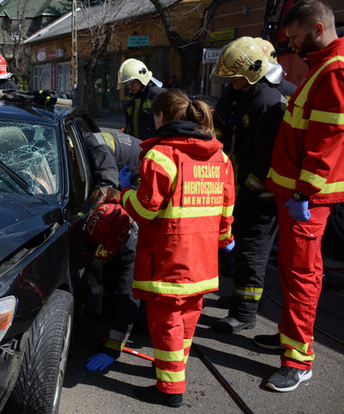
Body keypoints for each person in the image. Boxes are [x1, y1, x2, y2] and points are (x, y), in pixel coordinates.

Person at [260, 0, 344, 392]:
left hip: (307, 198)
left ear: (317, 28)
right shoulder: (323, 66)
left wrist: (304, 190)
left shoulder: (336, 71)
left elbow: (327, 142)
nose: (292, 46)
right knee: (291, 272)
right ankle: (288, 337)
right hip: (297, 194)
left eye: (296, 37)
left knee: (301, 277)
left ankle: (298, 361)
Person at [120, 89, 235, 407]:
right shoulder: (220, 158)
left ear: (160, 117)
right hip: (203, 260)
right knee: (187, 317)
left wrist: (124, 194)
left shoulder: (161, 155)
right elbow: (226, 210)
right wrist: (224, 240)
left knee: (166, 321)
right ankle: (172, 369)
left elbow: (145, 210)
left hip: (169, 258)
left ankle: (169, 389)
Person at [210, 36, 288, 334]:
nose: (234, 85)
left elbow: (263, 159)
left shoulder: (266, 103)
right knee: (243, 250)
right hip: (249, 190)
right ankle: (240, 300)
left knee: (252, 253)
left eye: (237, 79)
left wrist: (248, 192)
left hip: (261, 195)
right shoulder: (253, 95)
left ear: (252, 73)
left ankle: (244, 314)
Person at [81, 131, 142, 372]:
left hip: (135, 185)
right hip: (124, 185)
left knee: (139, 316)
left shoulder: (94, 146)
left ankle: (120, 332)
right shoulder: (75, 146)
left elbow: (108, 186)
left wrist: (113, 346)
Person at [117, 58, 165, 141]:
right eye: (127, 84)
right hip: (139, 149)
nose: (129, 86)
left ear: (142, 78)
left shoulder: (158, 95)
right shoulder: (130, 105)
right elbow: (129, 130)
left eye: (132, 82)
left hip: (158, 149)